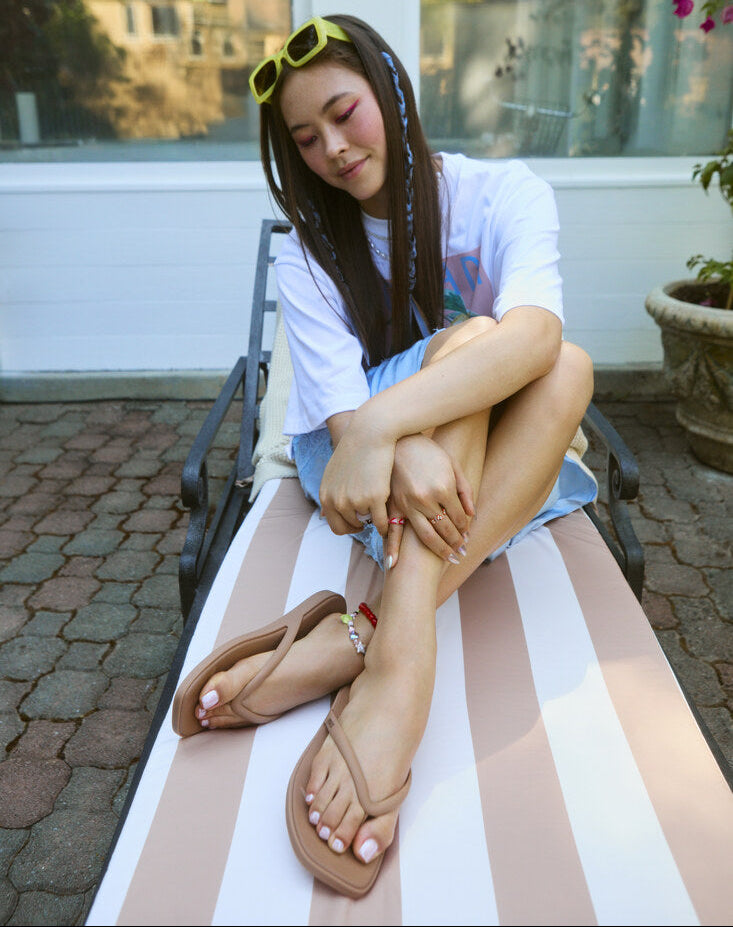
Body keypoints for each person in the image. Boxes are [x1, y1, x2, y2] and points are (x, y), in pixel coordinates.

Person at [172, 14, 595, 895]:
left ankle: (362, 638)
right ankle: (400, 671)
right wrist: (375, 439)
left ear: (393, 91)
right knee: (471, 337)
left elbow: (537, 336)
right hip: (353, 476)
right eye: (305, 138)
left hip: (444, 471)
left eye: (343, 113)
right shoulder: (310, 254)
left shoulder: (501, 194)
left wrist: (383, 427)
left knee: (562, 367)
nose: (331, 148)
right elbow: (342, 428)